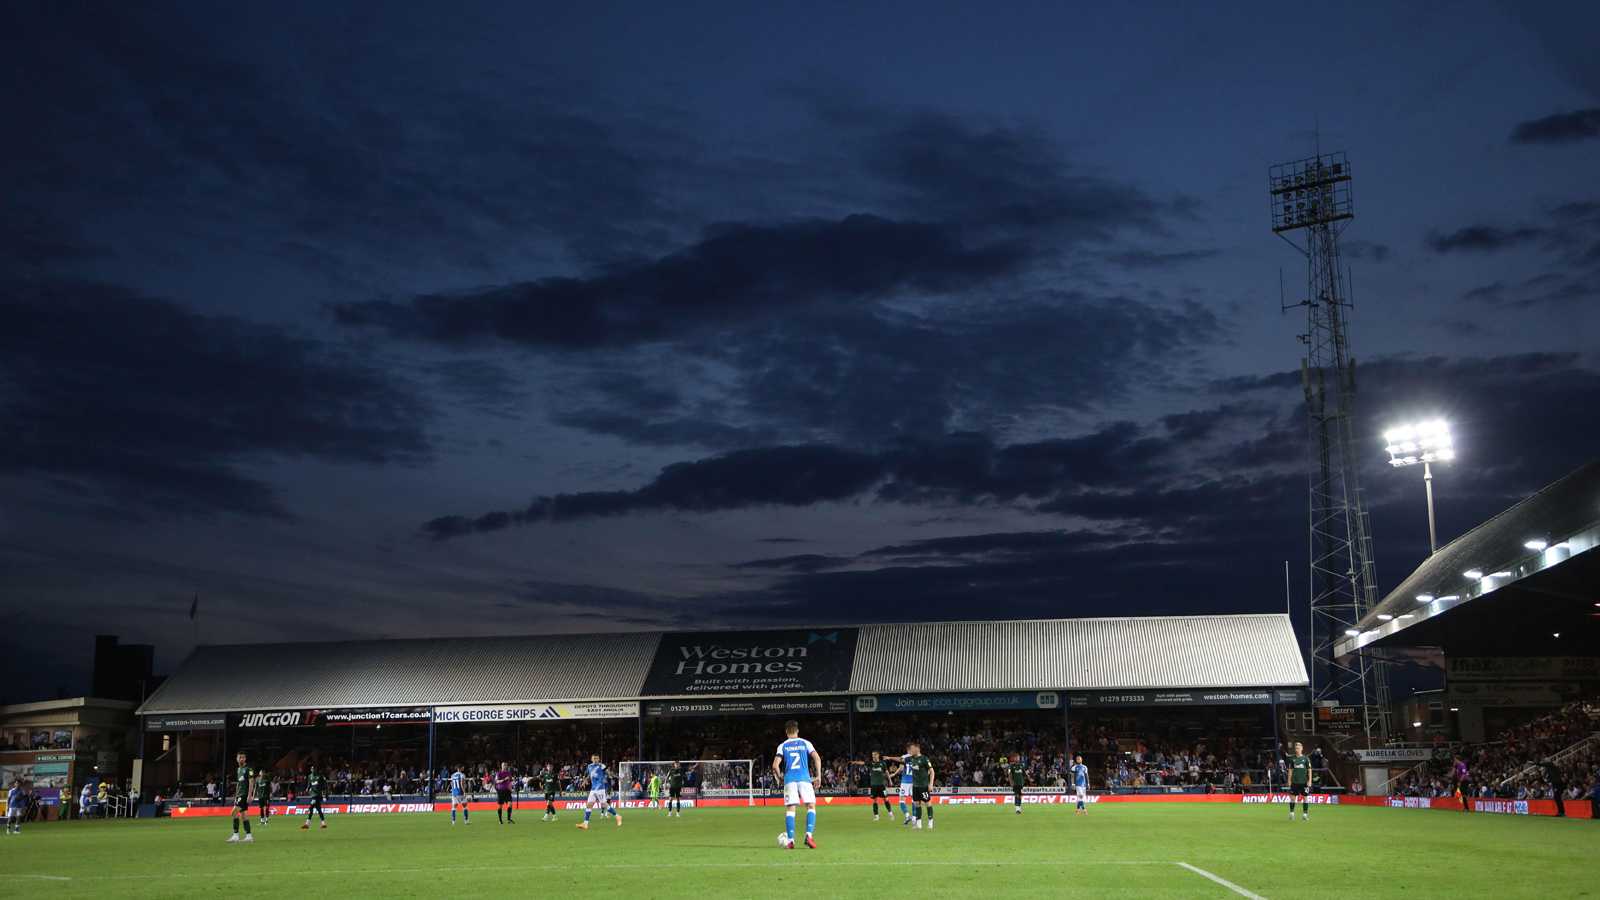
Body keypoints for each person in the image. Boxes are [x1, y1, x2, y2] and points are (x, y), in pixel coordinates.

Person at [773, 720, 820, 849]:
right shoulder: (805, 743)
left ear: (786, 731)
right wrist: (819, 776)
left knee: (790, 811)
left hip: (790, 780)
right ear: (798, 731)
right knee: (811, 807)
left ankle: (791, 841)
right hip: (804, 779)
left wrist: (780, 778)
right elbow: (817, 758)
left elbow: (775, 766)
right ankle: (809, 836)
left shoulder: (782, 746)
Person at [577, 754, 620, 829]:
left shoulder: (601, 766)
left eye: (597, 758)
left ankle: (618, 816)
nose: (596, 760)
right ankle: (585, 824)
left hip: (600, 789)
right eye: (594, 758)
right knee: (588, 805)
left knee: (604, 805)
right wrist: (585, 782)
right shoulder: (590, 766)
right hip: (593, 789)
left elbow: (609, 773)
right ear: (591, 759)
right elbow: (591, 775)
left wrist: (618, 777)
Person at [848, 752, 893, 821]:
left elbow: (886, 772)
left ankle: (890, 814)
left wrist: (890, 780)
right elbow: (863, 762)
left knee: (885, 799)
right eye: (872, 755)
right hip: (873, 784)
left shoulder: (882, 763)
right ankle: (876, 816)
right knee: (875, 800)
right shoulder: (871, 763)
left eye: (875, 755)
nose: (874, 756)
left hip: (881, 784)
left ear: (878, 755)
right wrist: (855, 762)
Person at [903, 742, 933, 830]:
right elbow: (901, 760)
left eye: (913, 749)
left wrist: (930, 784)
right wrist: (890, 758)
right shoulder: (912, 758)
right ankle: (919, 824)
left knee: (927, 803)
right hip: (915, 786)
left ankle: (930, 823)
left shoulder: (924, 759)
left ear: (917, 749)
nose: (911, 750)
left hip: (923, 785)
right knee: (917, 803)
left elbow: (932, 771)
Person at [227, 752, 255, 843]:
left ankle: (235, 835)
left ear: (245, 758)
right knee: (244, 815)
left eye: (243, 757)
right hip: (240, 794)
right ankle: (249, 836)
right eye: (240, 757)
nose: (241, 759)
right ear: (237, 759)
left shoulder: (248, 769)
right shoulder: (239, 769)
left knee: (233, 812)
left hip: (244, 794)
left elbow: (251, 781)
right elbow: (238, 783)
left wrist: (249, 794)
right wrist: (236, 795)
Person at [1286, 742, 1311, 821]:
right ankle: (1292, 813)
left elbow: (1309, 770)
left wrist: (1310, 780)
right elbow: (1290, 770)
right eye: (1295, 748)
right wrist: (1289, 780)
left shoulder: (1306, 759)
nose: (1296, 750)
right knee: (1293, 797)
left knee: (1305, 797)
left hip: (1304, 781)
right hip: (1295, 781)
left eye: (1298, 748)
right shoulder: (1293, 759)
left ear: (1301, 749)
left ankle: (1305, 814)